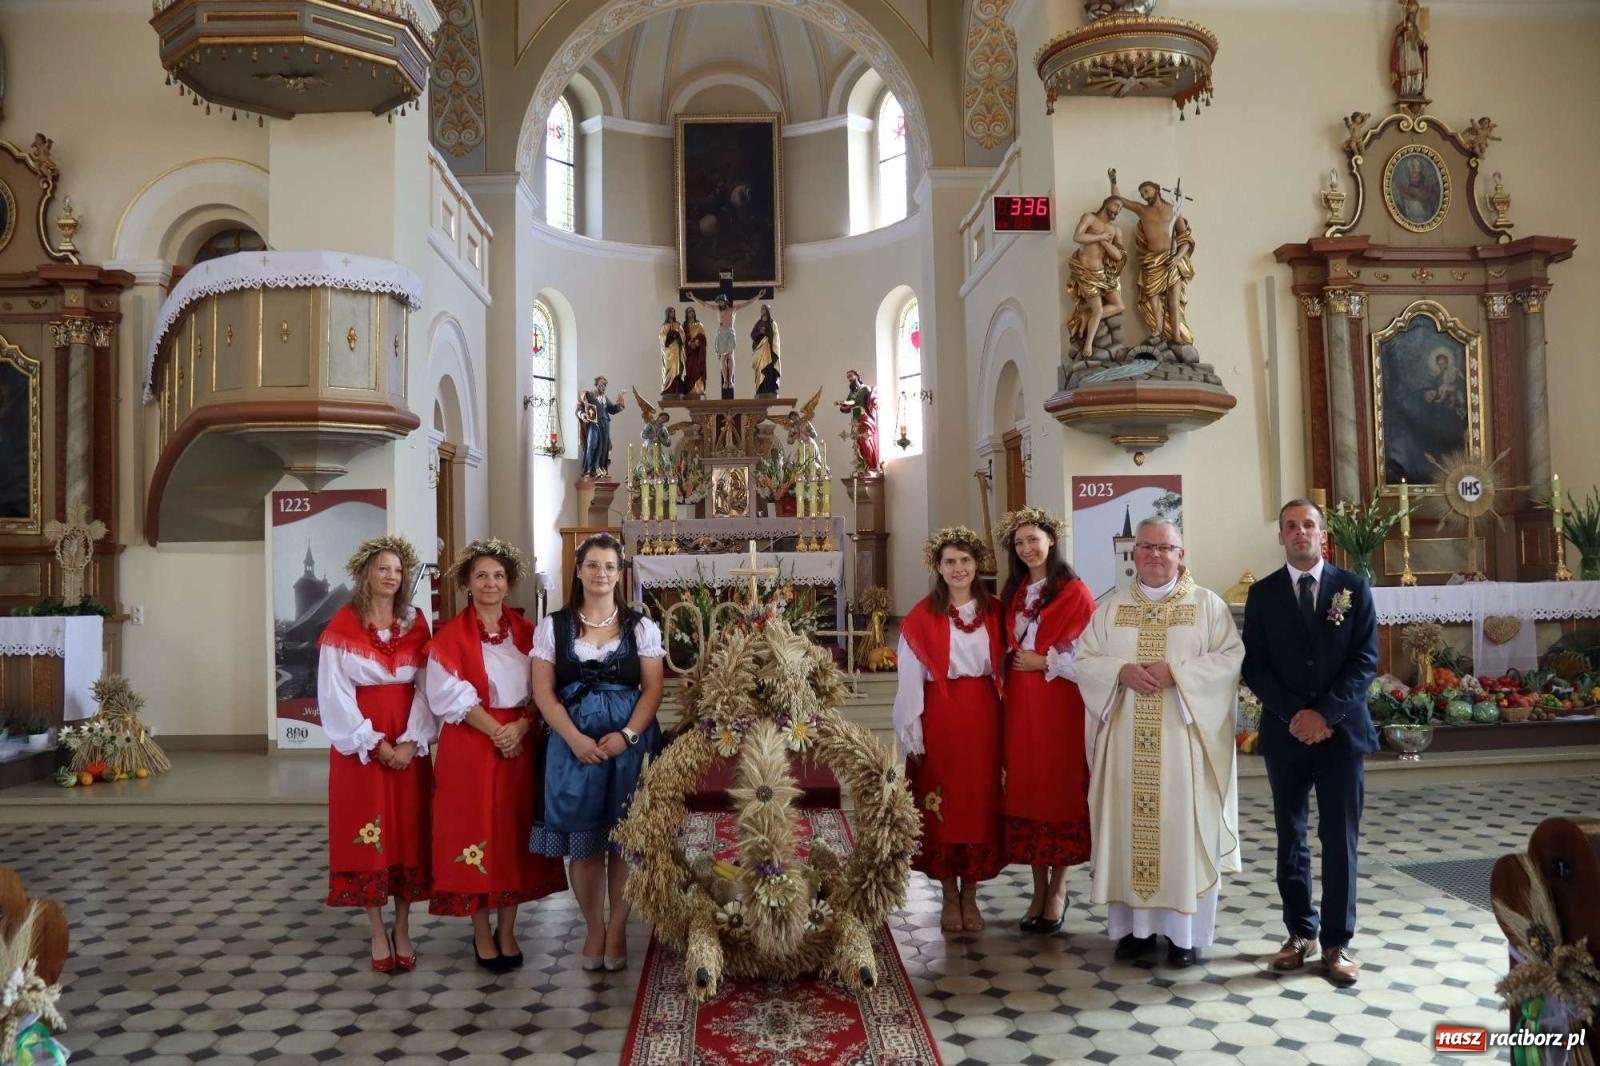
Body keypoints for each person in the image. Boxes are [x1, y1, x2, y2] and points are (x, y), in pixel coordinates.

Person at [1075, 519, 1245, 967]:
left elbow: (1231, 659)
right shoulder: (1109, 608)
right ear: (1133, 554)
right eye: (1146, 547)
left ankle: (1184, 937)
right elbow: (1085, 658)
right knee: (1129, 831)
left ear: (1181, 554)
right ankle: (1135, 931)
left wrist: (1179, 673)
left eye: (1165, 547)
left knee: (1180, 832)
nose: (1154, 555)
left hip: (1183, 747)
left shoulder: (1207, 605)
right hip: (1126, 746)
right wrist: (1120, 671)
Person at [1242, 499, 1378, 987]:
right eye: (1291, 526)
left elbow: (1364, 661)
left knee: (1339, 839)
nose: (1301, 533)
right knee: (1290, 835)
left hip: (1341, 733)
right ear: (1280, 535)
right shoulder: (1262, 594)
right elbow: (1254, 665)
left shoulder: (1354, 588)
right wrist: (1294, 716)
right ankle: (1299, 932)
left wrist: (1324, 714)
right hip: (1287, 734)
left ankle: (1337, 941)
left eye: (1309, 525)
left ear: (1324, 535)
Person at [425, 538, 568, 971]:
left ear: (509, 585)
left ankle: (508, 929)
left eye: (499, 576)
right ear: (468, 582)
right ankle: (481, 931)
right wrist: (496, 730)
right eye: (482, 575)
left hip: (519, 743)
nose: (490, 582)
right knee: (474, 831)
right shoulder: (449, 637)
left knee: (512, 833)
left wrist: (522, 726)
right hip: (471, 745)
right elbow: (446, 694)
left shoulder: (529, 634)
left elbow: (546, 689)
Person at [530, 533, 665, 971]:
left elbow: (653, 689)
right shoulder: (553, 626)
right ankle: (593, 927)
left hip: (628, 747)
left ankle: (619, 927)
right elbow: (544, 692)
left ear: (620, 573)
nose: (601, 573)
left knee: (625, 840)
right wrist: (573, 738)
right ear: (579, 570)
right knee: (586, 843)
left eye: (609, 566)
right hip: (573, 748)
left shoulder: (640, 626)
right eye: (592, 565)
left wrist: (627, 735)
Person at [319, 535, 434, 972]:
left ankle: (402, 926)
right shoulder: (341, 625)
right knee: (369, 835)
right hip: (361, 749)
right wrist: (374, 743)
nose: (391, 576)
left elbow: (427, 685)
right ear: (366, 573)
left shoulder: (415, 621)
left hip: (409, 740)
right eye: (383, 568)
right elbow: (333, 693)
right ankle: (375, 930)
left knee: (407, 830)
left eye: (398, 570)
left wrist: (411, 740)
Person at [893, 526, 1005, 933]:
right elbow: (909, 679)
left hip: (985, 717)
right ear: (937, 568)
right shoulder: (923, 616)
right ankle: (948, 897)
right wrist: (913, 730)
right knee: (942, 805)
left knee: (978, 805)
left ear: (977, 565)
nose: (958, 569)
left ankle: (971, 895)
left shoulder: (995, 611)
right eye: (950, 562)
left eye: (965, 561)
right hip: (940, 716)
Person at [996, 507, 1096, 932]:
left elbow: (1089, 655)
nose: (1027, 548)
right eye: (1019, 543)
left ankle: (1059, 887)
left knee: (1058, 786)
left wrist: (1045, 661)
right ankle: (1037, 887)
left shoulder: (1074, 591)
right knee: (1027, 785)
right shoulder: (1015, 592)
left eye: (1034, 539)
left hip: (1060, 701)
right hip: (1020, 702)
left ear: (1051, 540)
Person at [1110, 169, 1195, 346]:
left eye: (1147, 191)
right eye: (1142, 194)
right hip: (1152, 261)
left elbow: (1185, 239)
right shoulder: (1142, 210)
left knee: (1173, 299)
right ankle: (1157, 331)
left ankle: (1177, 337)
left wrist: (1178, 257)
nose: (1144, 196)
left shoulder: (1173, 210)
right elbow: (1119, 201)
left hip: (1171, 259)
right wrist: (1113, 182)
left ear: (1156, 189)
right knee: (1152, 297)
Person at [1067, 194, 1125, 356]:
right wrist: (1099, 236)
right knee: (1098, 310)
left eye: (1120, 208)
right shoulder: (1090, 218)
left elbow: (1118, 255)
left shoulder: (1115, 230)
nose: (1118, 210)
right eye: (1116, 205)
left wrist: (1105, 242)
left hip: (1103, 274)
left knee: (1120, 305)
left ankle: (1087, 315)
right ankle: (1088, 346)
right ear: (1106, 203)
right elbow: (1077, 237)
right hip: (1086, 272)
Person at [689, 290, 762, 399]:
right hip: (721, 333)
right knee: (723, 358)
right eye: (718, 303)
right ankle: (725, 380)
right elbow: (705, 305)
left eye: (721, 302)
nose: (719, 304)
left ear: (725, 301)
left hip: (730, 333)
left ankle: (730, 380)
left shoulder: (733, 309)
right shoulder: (717, 310)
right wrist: (693, 298)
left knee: (730, 357)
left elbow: (747, 303)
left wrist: (757, 296)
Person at [578, 376, 626, 479]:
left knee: (604, 447)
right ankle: (589, 469)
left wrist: (620, 405)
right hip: (594, 423)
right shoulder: (589, 395)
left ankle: (600, 469)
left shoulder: (604, 398)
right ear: (596, 384)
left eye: (605, 385)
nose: (603, 386)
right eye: (601, 384)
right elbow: (580, 407)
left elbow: (612, 409)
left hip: (605, 423)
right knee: (592, 444)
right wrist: (582, 415)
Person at [834, 369, 881, 473]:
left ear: (857, 376)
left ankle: (871, 465)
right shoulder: (851, 393)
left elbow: (870, 398)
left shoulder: (865, 389)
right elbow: (848, 405)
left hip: (864, 419)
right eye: (848, 378)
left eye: (851, 376)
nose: (850, 379)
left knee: (865, 442)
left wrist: (876, 402)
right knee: (858, 444)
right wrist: (842, 406)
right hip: (855, 421)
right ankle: (863, 466)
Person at [750, 304, 780, 397]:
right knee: (761, 370)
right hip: (761, 351)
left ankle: (771, 388)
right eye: (761, 309)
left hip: (769, 352)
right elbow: (753, 335)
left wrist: (766, 333)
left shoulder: (772, 323)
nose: (762, 311)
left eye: (764, 309)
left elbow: (775, 337)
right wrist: (760, 333)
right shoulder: (758, 323)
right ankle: (761, 388)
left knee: (769, 370)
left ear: (768, 311)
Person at [659, 307, 686, 398]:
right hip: (668, 352)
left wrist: (677, 335)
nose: (672, 313)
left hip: (677, 350)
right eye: (670, 312)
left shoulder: (678, 325)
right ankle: (667, 388)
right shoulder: (664, 326)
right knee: (668, 369)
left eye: (674, 312)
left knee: (677, 368)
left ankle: (677, 389)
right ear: (667, 313)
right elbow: (662, 338)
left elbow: (683, 336)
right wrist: (670, 336)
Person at [683, 306, 708, 398]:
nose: (691, 313)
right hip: (688, 354)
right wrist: (689, 343)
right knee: (689, 370)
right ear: (686, 314)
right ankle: (690, 389)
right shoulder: (684, 326)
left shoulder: (699, 325)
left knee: (697, 370)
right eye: (689, 311)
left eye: (692, 311)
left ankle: (698, 389)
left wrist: (697, 343)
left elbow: (703, 339)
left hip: (697, 353)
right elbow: (682, 340)